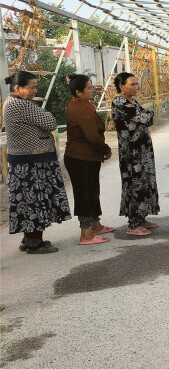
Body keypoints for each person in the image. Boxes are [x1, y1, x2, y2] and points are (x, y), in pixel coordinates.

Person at [3, 71, 71, 253]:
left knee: (28, 201)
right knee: (35, 201)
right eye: (32, 87)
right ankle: (35, 243)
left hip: (24, 161)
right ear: (18, 88)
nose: (35, 90)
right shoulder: (22, 105)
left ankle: (30, 239)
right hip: (32, 163)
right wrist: (46, 113)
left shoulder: (11, 102)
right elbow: (51, 123)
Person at [64, 74, 114, 245]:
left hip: (85, 157)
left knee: (91, 191)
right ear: (78, 92)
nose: (93, 91)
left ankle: (95, 225)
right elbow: (92, 136)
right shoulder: (81, 108)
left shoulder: (82, 104)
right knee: (84, 193)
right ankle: (85, 233)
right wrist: (105, 149)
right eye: (89, 88)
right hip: (80, 157)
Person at [112, 72, 160, 236]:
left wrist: (147, 115)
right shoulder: (119, 102)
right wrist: (147, 115)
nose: (136, 87)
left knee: (145, 182)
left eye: (137, 84)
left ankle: (141, 218)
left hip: (142, 150)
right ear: (121, 86)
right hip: (131, 152)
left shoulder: (133, 101)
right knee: (134, 184)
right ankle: (133, 224)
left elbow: (149, 117)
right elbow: (145, 118)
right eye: (132, 84)